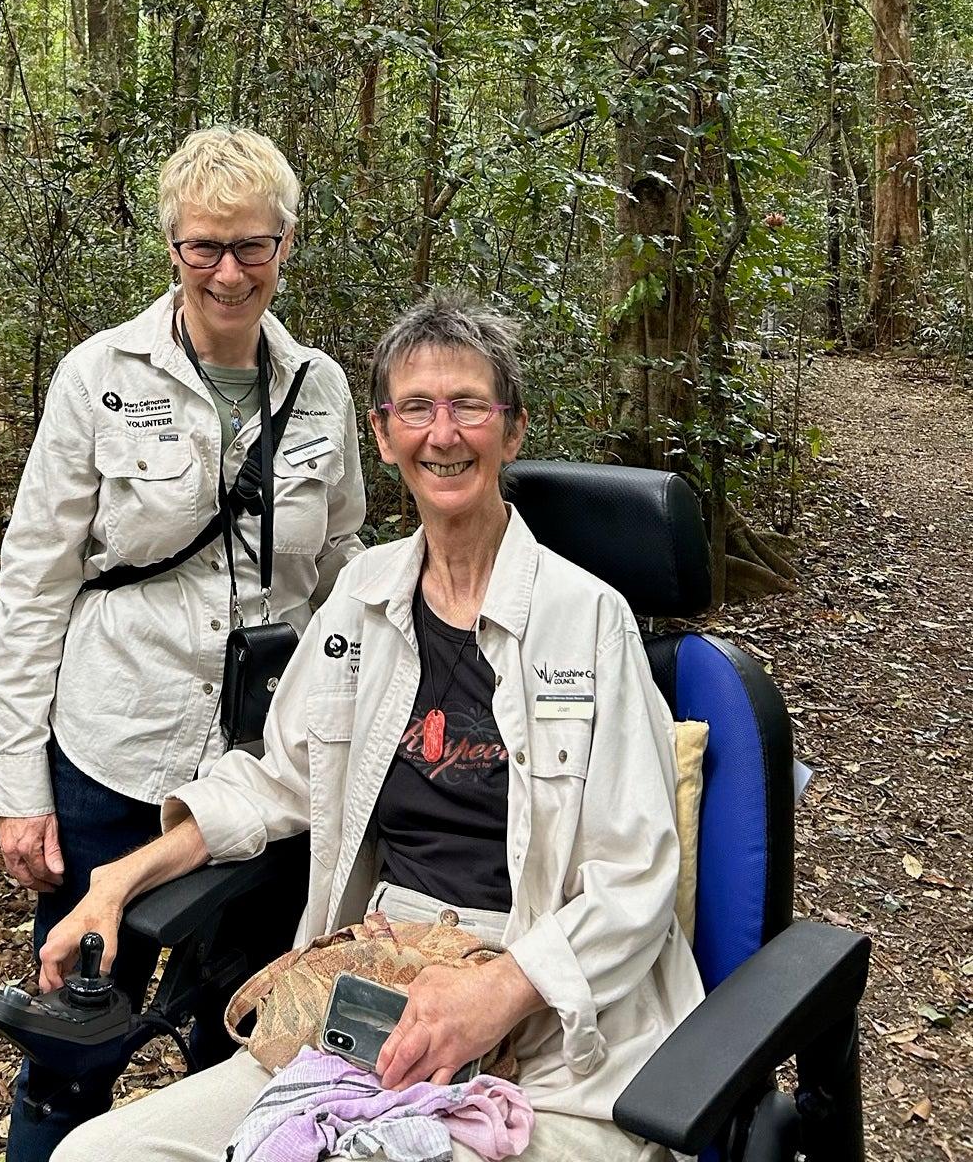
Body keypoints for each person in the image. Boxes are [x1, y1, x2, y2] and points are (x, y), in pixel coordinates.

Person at [36, 295, 705, 1162]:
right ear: (383, 437)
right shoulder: (362, 600)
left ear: (513, 430)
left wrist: (499, 991)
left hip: (553, 1013)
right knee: (97, 1155)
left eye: (470, 405)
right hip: (376, 984)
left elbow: (636, 881)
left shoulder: (589, 622)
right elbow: (277, 779)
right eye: (415, 410)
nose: (444, 434)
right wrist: (117, 880)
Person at [0, 126, 367, 1161]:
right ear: (172, 248)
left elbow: (340, 565)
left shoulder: (319, 387)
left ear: (288, 244)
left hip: (263, 770)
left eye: (251, 246)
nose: (228, 272)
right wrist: (21, 783)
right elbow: (33, 583)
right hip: (114, 754)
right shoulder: (100, 375)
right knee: (74, 1046)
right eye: (205, 247)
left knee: (242, 1039)